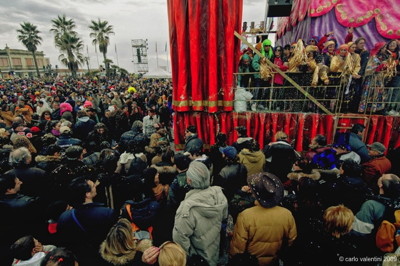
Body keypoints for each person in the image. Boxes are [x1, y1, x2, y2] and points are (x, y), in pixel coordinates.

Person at [230, 172, 297, 265]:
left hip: (252, 262)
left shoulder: (246, 215)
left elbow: (238, 248)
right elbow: (291, 240)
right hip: (274, 260)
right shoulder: (287, 214)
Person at [173, 161, 228, 266]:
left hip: (198, 259)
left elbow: (180, 240)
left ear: (189, 181)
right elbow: (224, 218)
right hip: (213, 249)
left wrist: (192, 257)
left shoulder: (186, 209)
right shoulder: (219, 194)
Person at [57, 176, 117, 265]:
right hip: (105, 258)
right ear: (87, 194)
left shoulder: (63, 217)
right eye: (93, 186)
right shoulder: (107, 213)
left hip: (80, 260)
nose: (95, 186)